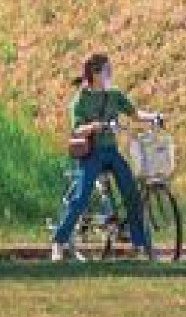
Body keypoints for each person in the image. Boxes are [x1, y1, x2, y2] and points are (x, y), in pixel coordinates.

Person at [50, 53, 164, 262]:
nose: (111, 74)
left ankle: (141, 245)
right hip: (92, 154)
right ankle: (59, 241)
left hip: (112, 152)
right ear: (95, 74)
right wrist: (97, 126)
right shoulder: (80, 101)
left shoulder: (114, 95)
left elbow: (135, 114)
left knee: (131, 193)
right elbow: (77, 130)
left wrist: (154, 117)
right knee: (81, 197)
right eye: (107, 70)